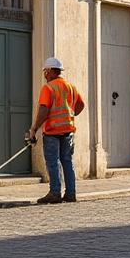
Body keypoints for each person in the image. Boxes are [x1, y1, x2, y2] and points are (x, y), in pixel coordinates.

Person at [26, 57, 85, 204]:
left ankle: (55, 193)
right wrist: (70, 114)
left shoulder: (49, 88)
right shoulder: (70, 87)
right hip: (68, 131)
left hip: (52, 132)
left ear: (52, 71)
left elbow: (44, 110)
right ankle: (71, 194)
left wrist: (34, 129)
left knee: (53, 162)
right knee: (67, 161)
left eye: (46, 72)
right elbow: (81, 105)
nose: (45, 75)